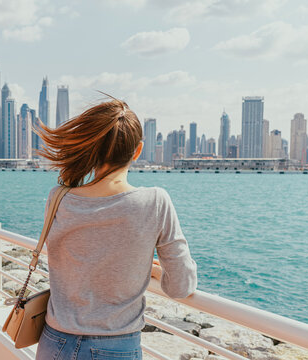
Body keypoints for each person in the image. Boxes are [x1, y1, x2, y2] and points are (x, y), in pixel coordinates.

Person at [34, 97, 197, 359]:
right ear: (137, 151)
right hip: (115, 347)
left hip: (54, 341)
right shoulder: (155, 201)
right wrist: (151, 270)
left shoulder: (59, 198)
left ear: (91, 149)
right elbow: (181, 286)